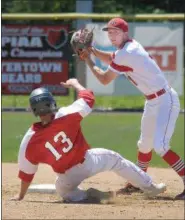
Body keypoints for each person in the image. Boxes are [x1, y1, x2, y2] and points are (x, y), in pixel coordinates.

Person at [11, 78, 166, 203]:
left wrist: (21, 195)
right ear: (52, 103)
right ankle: (150, 187)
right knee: (115, 159)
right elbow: (88, 99)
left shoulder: (30, 139)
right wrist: (76, 84)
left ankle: (85, 196)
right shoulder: (67, 114)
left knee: (64, 191)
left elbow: (26, 173)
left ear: (34, 110)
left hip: (66, 178)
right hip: (87, 162)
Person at [83, 17, 185, 200]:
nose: (112, 36)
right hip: (153, 101)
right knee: (144, 145)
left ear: (125, 33)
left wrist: (88, 61)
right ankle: (139, 183)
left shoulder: (127, 52)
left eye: (116, 32)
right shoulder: (125, 49)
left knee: (160, 146)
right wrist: (91, 51)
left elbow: (105, 80)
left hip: (165, 100)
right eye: (110, 33)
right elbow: (110, 58)